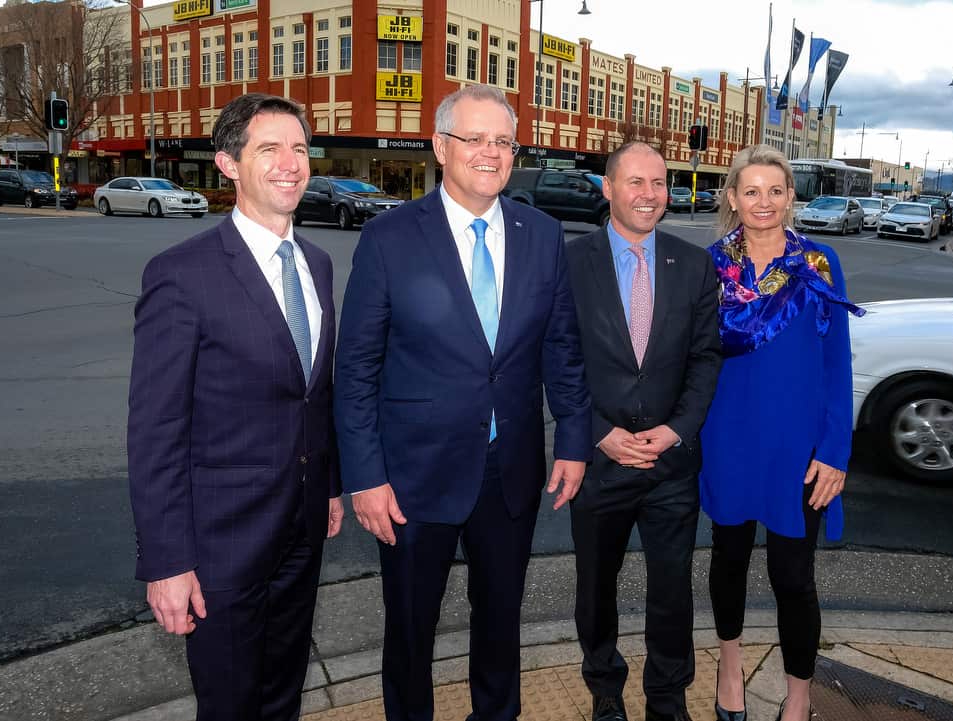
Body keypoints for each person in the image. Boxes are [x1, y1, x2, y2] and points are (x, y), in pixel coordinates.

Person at [333, 84, 591, 721]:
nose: (490, 153)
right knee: (410, 629)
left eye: (502, 141)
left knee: (501, 622)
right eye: (474, 139)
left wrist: (576, 443)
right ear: (441, 147)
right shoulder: (390, 237)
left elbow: (562, 348)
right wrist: (364, 477)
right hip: (414, 476)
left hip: (512, 473)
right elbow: (357, 368)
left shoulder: (542, 234)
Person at [127, 93, 345, 721]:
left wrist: (327, 483)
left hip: (301, 529)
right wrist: (168, 561)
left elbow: (314, 392)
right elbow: (156, 431)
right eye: (268, 148)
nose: (290, 163)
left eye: (300, 148)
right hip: (221, 544)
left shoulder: (319, 264)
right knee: (229, 704)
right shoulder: (182, 274)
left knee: (282, 693)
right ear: (228, 163)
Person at [699, 145, 864, 721]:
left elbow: (837, 363)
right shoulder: (712, 266)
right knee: (729, 559)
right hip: (728, 438)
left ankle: (798, 698)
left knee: (793, 576)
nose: (762, 202)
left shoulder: (818, 264)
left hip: (800, 448)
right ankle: (728, 664)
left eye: (775, 191)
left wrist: (835, 451)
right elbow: (694, 359)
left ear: (791, 197)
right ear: (732, 198)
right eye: (751, 191)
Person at [566, 142, 721, 721]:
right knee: (595, 586)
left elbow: (706, 358)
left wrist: (677, 430)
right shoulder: (570, 263)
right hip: (599, 462)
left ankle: (667, 695)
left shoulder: (694, 264)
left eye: (658, 183)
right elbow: (556, 358)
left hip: (670, 467)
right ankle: (604, 686)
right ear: (607, 188)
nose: (649, 195)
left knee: (673, 588)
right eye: (635, 182)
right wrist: (596, 431)